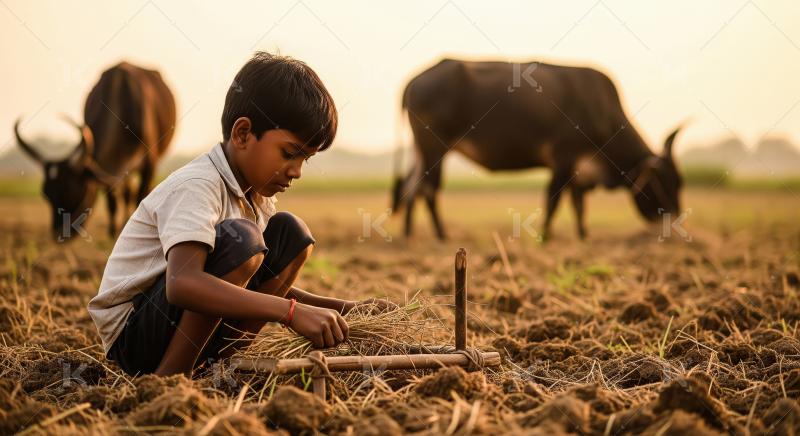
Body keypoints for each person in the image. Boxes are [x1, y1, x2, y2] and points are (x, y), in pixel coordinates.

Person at [88, 52, 393, 376]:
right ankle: (171, 376)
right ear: (243, 134)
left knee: (291, 235)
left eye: (306, 159)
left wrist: (349, 309)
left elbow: (246, 282)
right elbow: (183, 283)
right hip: (135, 335)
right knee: (243, 240)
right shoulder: (198, 185)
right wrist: (290, 313)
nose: (297, 172)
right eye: (289, 154)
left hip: (176, 319)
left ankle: (213, 367)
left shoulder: (254, 197)